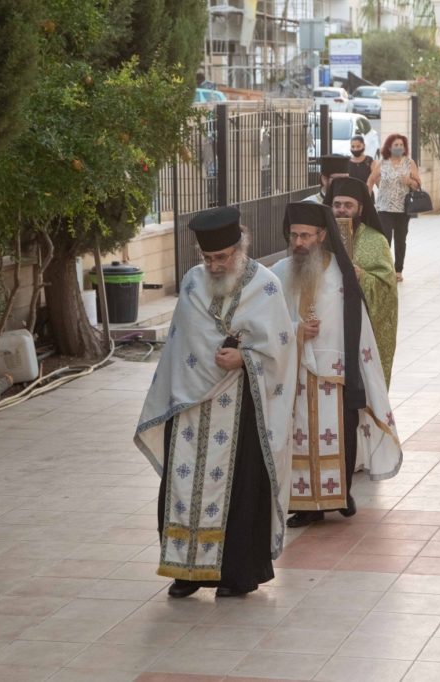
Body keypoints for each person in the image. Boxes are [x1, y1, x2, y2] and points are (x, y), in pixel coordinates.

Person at [134, 207, 296, 598]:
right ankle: (185, 572)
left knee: (240, 491)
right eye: (208, 258)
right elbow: (179, 346)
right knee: (182, 487)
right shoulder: (192, 283)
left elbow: (280, 350)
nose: (215, 265)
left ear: (240, 249)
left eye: (222, 258)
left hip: (241, 405)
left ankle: (236, 574)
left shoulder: (266, 286)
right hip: (190, 406)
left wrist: (245, 359)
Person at [272, 202, 402, 528]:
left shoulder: (340, 275)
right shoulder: (278, 273)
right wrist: (294, 330)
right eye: (294, 235)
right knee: (299, 436)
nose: (299, 242)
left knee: (339, 434)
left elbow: (356, 325)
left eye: (306, 235)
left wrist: (357, 369)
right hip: (295, 371)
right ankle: (305, 505)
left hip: (336, 372)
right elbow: (266, 322)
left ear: (322, 235)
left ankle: (341, 494)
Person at [325, 176, 398, 386]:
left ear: (360, 208)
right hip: (328, 324)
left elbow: (387, 287)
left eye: (348, 205)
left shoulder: (376, 240)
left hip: (361, 325)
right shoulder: (321, 238)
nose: (342, 210)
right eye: (337, 205)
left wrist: (362, 276)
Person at [368, 133, 422, 282]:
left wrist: (409, 181)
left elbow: (418, 184)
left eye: (401, 145)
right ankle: (386, 268)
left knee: (400, 239)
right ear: (389, 147)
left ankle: (398, 270)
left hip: (402, 208)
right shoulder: (383, 162)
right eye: (395, 145)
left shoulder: (409, 163)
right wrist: (367, 199)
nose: (399, 147)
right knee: (385, 239)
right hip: (384, 207)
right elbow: (371, 179)